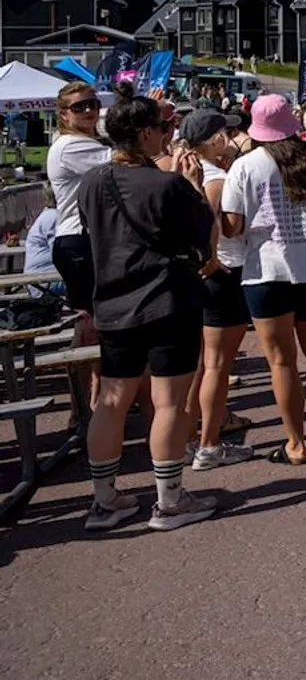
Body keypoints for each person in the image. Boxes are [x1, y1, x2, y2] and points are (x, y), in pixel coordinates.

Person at [74, 90, 219, 532]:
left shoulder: (92, 182)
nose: (167, 135)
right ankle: (169, 500)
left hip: (114, 303)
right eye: (162, 127)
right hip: (166, 301)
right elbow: (202, 238)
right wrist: (193, 186)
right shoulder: (167, 184)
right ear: (144, 133)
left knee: (112, 400)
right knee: (169, 401)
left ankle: (104, 499)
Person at [221, 94, 306, 466]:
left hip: (266, 273)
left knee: (281, 362)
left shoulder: (245, 167)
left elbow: (232, 228)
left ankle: (296, 442)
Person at [181, 108, 255, 469]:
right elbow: (216, 227)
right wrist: (209, 259)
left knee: (202, 364)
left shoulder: (180, 170)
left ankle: (190, 437)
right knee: (217, 366)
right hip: (223, 272)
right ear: (214, 139)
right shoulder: (216, 180)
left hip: (201, 277)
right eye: (224, 133)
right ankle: (209, 444)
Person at [46, 79, 112, 310]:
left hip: (85, 238)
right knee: (96, 317)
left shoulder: (87, 142)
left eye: (93, 104)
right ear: (64, 115)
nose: (88, 111)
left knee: (92, 319)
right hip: (79, 239)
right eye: (79, 107)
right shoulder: (70, 145)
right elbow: (126, 161)